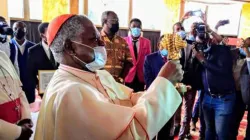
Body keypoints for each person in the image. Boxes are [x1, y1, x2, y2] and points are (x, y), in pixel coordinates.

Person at [34, 14, 184, 140]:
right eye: (94, 39)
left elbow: (130, 98)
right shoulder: (69, 92)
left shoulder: (99, 74)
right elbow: (129, 133)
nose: (102, 44)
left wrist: (165, 89)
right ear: (70, 47)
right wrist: (163, 81)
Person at [193, 23, 235, 140]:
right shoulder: (205, 50)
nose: (210, 39)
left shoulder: (224, 51)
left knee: (220, 133)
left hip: (223, 100)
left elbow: (221, 70)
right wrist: (196, 56)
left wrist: (202, 60)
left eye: (211, 37)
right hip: (207, 97)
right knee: (209, 129)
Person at [144, 35, 175, 140]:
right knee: (151, 129)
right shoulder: (149, 59)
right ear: (158, 45)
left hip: (169, 99)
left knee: (165, 131)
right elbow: (148, 80)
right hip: (154, 98)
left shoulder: (175, 60)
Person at [0, 50, 33, 140]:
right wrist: (17, 132)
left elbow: (19, 89)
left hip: (19, 125)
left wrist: (25, 119)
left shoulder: (3, 55)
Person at [27, 22, 58, 101]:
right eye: (49, 32)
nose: (53, 34)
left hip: (59, 85)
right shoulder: (33, 51)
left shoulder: (59, 48)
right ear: (42, 35)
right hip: (44, 88)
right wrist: (37, 85)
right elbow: (31, 72)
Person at [100, 11, 132, 83]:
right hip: (100, 83)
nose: (116, 23)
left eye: (117, 20)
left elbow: (129, 62)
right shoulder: (96, 40)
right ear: (105, 21)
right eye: (114, 20)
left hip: (118, 84)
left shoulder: (122, 42)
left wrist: (121, 78)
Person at [11, 21, 35, 103]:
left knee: (30, 109)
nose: (18, 30)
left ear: (26, 30)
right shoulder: (8, 46)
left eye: (21, 28)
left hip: (30, 85)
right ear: (12, 30)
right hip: (13, 85)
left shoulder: (34, 47)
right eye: (15, 28)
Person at [124, 18, 151, 92]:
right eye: (134, 26)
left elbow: (148, 61)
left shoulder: (147, 42)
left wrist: (147, 78)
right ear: (130, 28)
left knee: (139, 99)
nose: (136, 28)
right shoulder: (124, 41)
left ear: (141, 28)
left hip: (141, 77)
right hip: (128, 76)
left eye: (138, 26)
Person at [231, 38, 250, 140]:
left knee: (237, 119)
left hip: (242, 95)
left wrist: (246, 51)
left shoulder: (248, 61)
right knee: (229, 121)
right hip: (230, 93)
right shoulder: (234, 55)